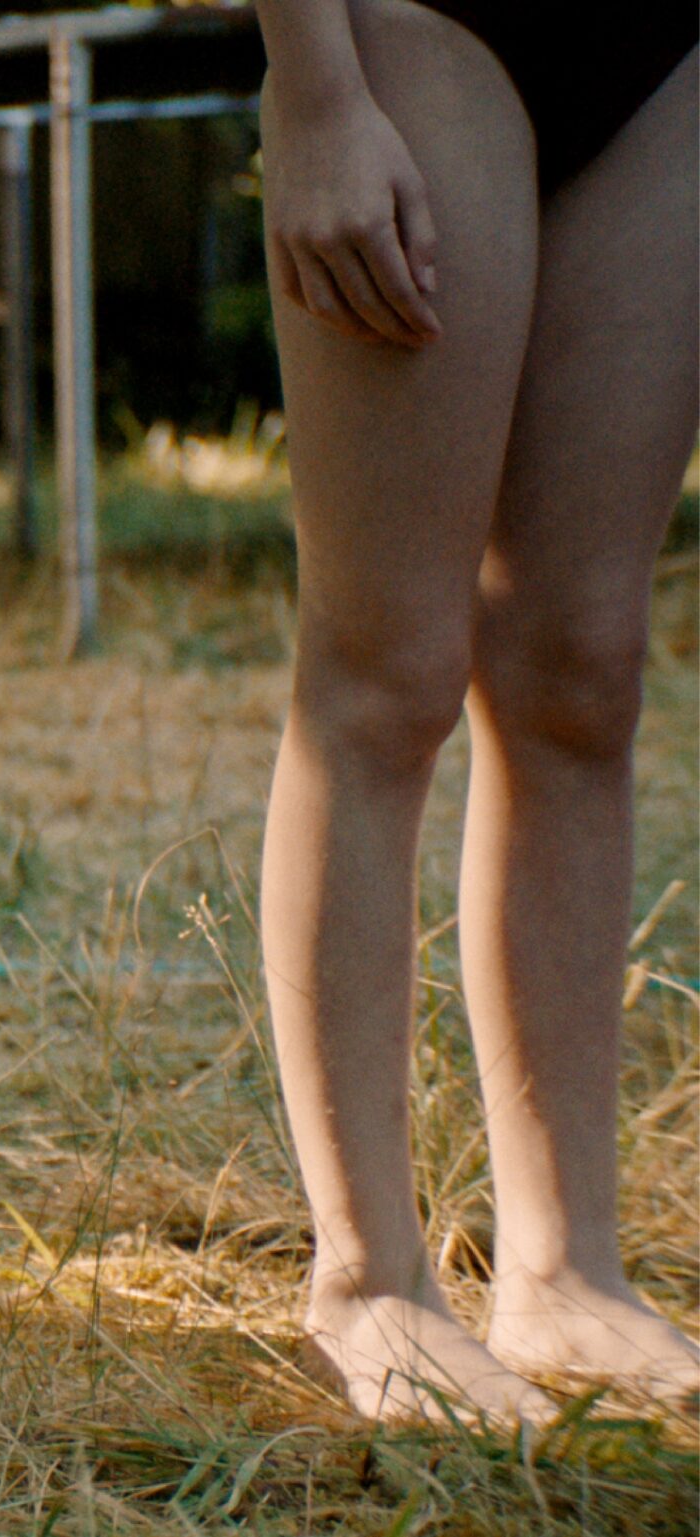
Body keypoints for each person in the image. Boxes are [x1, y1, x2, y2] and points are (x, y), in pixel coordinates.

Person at [253, 0, 698, 1421]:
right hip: (419, 25)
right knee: (388, 671)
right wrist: (313, 88)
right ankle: (370, 1277)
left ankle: (567, 1270)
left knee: (582, 661)